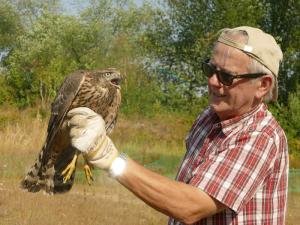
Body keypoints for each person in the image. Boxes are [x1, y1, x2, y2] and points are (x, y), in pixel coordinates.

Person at [67, 26, 288, 225]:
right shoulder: (209, 117)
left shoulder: (260, 136)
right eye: (210, 70)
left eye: (226, 76)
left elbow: (189, 206)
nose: (212, 81)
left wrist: (109, 157)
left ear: (263, 85)